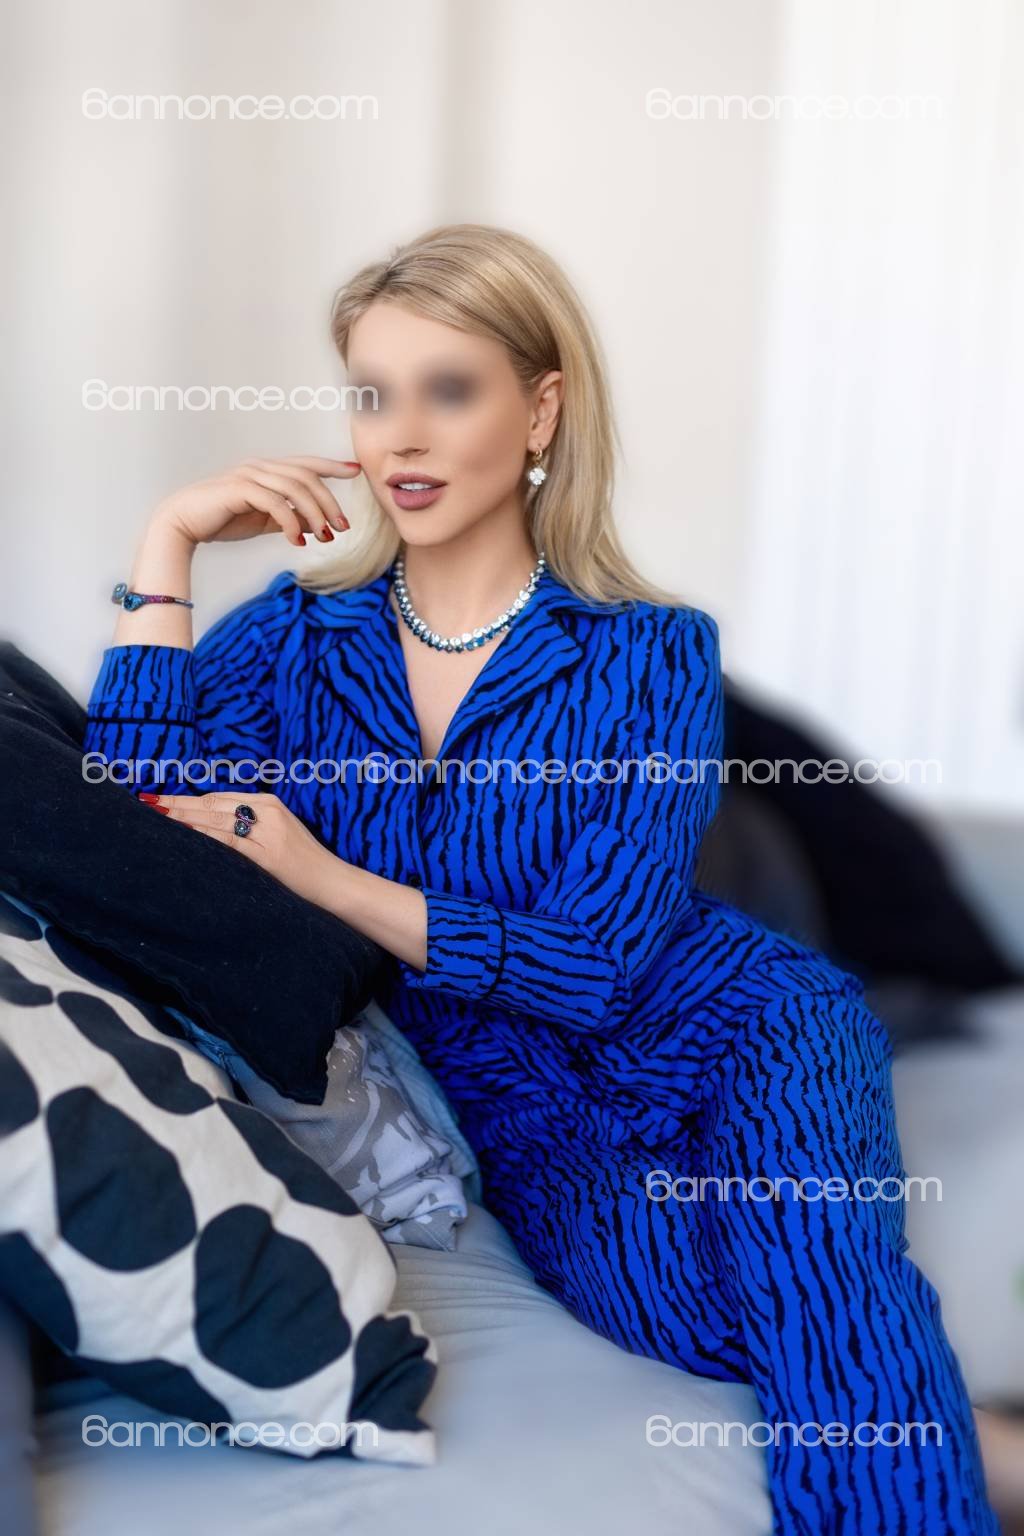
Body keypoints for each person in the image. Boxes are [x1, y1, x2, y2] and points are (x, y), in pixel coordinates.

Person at [83, 223, 998, 1534]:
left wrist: (324, 876)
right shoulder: (290, 636)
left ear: (541, 411)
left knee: (832, 1301)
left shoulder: (653, 654)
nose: (401, 437)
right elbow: (124, 824)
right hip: (509, 1093)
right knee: (706, 1314)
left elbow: (597, 967)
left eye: (448, 391)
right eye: (373, 394)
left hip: (745, 1030)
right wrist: (167, 546)